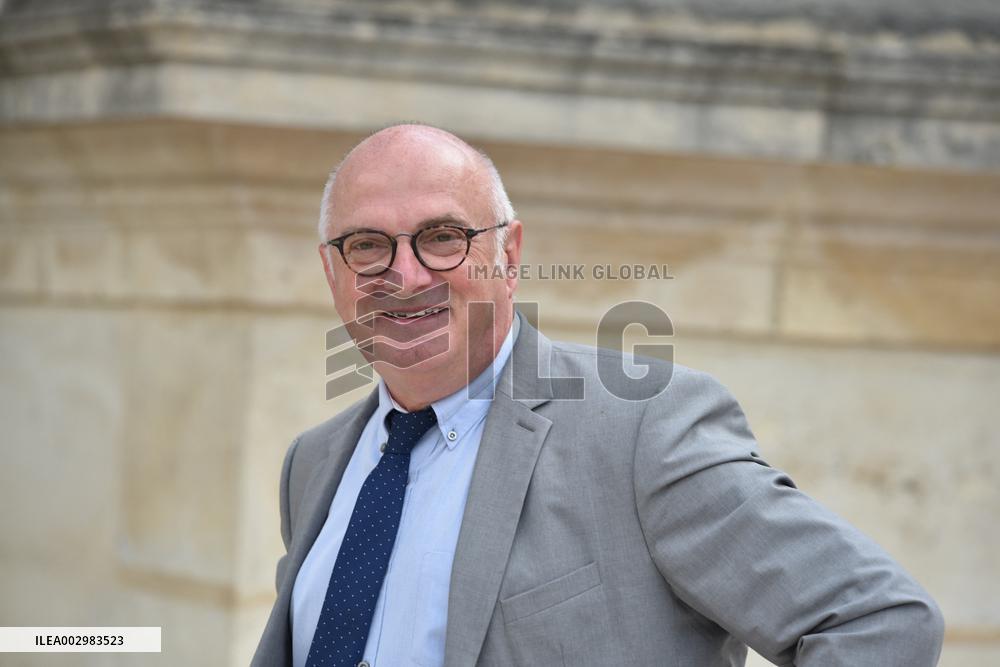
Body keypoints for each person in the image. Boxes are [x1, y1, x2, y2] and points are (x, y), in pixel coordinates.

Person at [252, 124, 944, 667]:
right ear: (331, 270)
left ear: (511, 255)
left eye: (443, 237)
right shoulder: (312, 464)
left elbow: (876, 619)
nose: (405, 275)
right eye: (367, 245)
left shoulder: (642, 431)